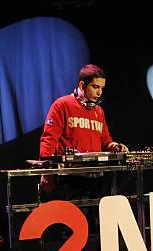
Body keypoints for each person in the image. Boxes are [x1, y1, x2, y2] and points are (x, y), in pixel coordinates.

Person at [39, 63, 128, 194]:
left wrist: (114, 146)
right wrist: (46, 173)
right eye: (95, 87)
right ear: (82, 85)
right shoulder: (62, 105)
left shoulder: (99, 111)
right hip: (70, 179)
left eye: (102, 88)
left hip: (97, 178)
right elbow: (48, 140)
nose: (99, 93)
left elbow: (105, 140)